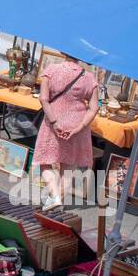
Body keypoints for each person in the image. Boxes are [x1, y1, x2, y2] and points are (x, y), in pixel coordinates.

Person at [36, 55, 99, 210]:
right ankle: (56, 202)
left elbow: (43, 99)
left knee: (44, 160)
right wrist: (80, 127)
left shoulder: (51, 70)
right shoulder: (90, 77)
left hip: (53, 119)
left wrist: (55, 123)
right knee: (69, 166)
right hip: (77, 123)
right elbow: (94, 108)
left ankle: (55, 197)